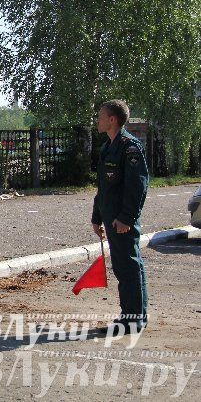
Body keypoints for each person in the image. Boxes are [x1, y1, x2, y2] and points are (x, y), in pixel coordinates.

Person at [91, 100, 149, 334]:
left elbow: (138, 186)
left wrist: (126, 218)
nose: (98, 120)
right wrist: (97, 217)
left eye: (100, 116)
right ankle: (132, 318)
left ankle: (132, 321)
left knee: (128, 268)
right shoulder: (108, 146)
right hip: (110, 218)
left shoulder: (129, 147)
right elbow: (104, 187)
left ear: (112, 120)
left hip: (122, 221)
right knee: (125, 267)